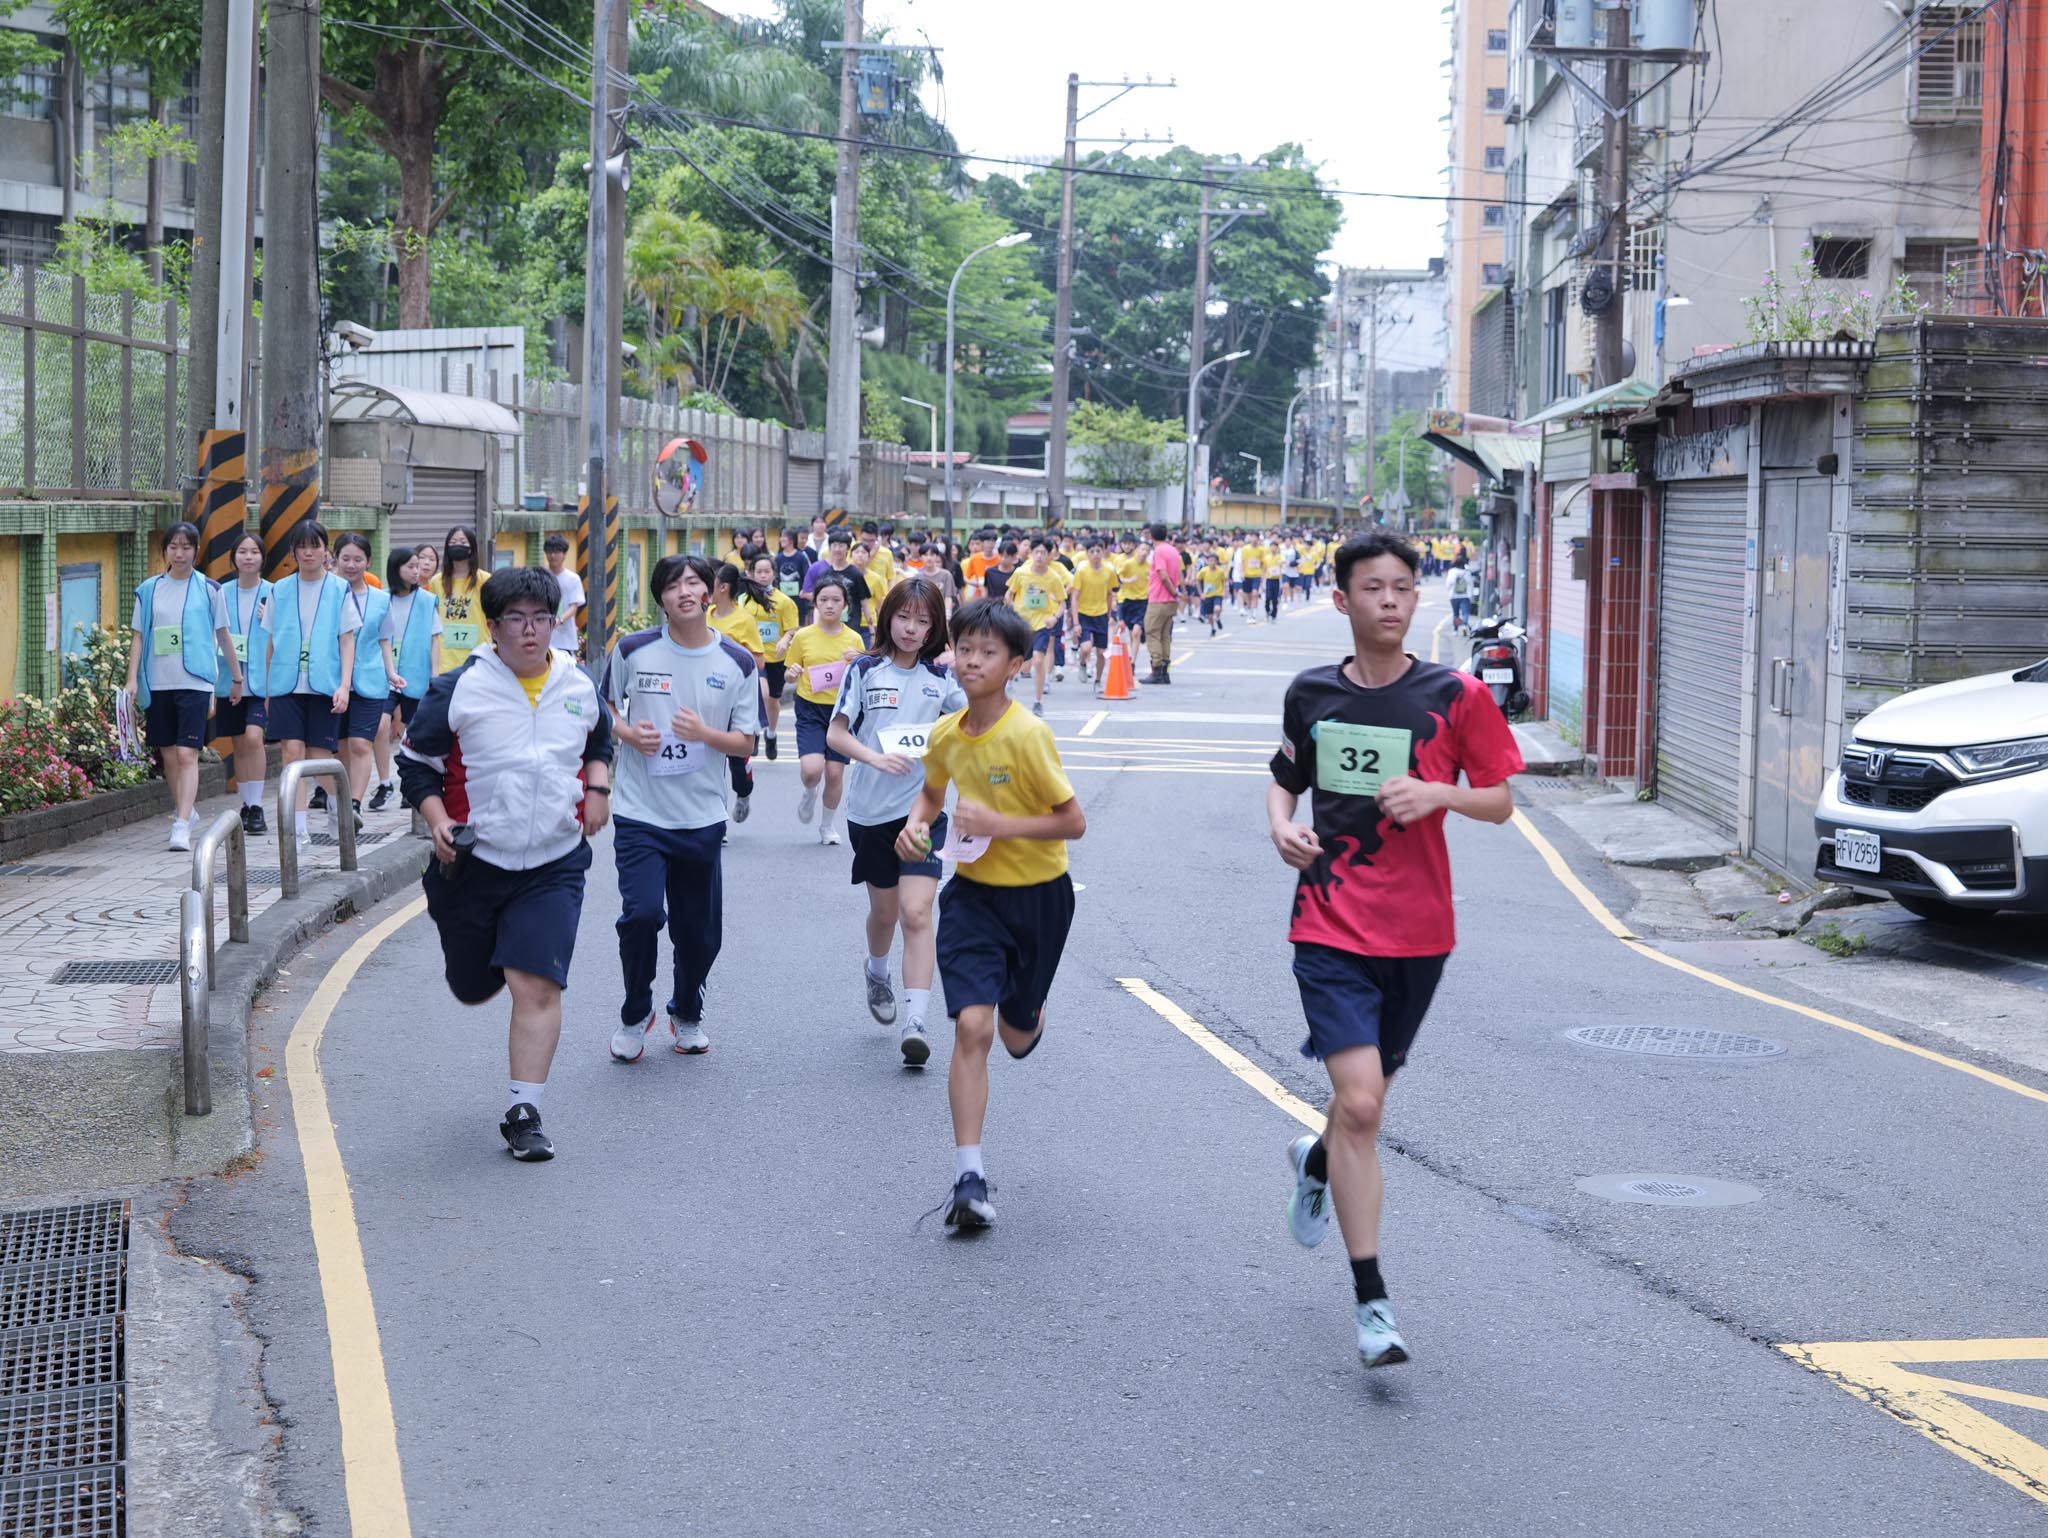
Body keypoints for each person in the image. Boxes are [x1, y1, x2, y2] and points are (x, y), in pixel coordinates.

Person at [1266, 529, 1523, 1368]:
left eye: (1403, 588)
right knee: (1367, 1106)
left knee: (1356, 1111)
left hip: (1419, 934)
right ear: (1342, 600)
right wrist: (1281, 828)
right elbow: (1285, 773)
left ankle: (1317, 1156)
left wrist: (1438, 792)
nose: (1389, 600)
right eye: (1372, 587)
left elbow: (1498, 801)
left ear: (1418, 599)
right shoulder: (1310, 693)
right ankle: (1372, 1301)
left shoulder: (1455, 696)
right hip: (1329, 922)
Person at [400, 566, 613, 1162]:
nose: (529, 631)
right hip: (475, 860)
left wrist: (598, 787)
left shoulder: (577, 682)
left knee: (537, 984)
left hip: (555, 858)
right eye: (515, 620)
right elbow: (417, 766)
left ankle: (525, 1111)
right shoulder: (457, 689)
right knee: (472, 987)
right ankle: (485, 957)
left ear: (555, 622)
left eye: (541, 619)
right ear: (492, 628)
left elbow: (598, 740)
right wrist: (438, 822)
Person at [896, 598, 1085, 1229]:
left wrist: (1000, 823)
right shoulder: (949, 735)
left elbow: (1072, 821)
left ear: (1015, 665)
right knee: (972, 1028)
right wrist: (916, 828)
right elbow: (929, 793)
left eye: (988, 653)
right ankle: (968, 1178)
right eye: (965, 649)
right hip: (974, 896)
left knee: (1015, 1034)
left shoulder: (1029, 735)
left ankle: (1026, 1005)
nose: (972, 661)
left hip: (1040, 898)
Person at [602, 555, 759, 1061]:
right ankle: (635, 1012)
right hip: (640, 811)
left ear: (711, 592)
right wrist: (627, 732)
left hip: (701, 815)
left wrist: (703, 735)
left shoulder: (737, 662)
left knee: (699, 934)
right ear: (661, 598)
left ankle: (687, 1009)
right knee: (642, 914)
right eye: (673, 586)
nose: (684, 592)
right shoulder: (633, 650)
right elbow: (605, 707)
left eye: (694, 583)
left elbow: (744, 742)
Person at [827, 578, 966, 1066]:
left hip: (923, 813)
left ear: (935, 628)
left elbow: (977, 723)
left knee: (917, 913)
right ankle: (877, 970)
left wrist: (967, 666)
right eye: (904, 618)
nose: (912, 629)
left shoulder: (942, 679)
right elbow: (838, 733)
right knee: (885, 914)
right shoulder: (865, 669)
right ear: (888, 618)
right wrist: (873, 757)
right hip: (870, 813)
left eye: (924, 621)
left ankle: (916, 1020)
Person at [125, 521, 243, 850]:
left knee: (187, 752)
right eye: (173, 547)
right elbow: (139, 636)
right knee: (169, 755)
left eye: (186, 547)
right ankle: (184, 810)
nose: (179, 553)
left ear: (196, 551)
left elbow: (223, 635)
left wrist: (236, 677)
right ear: (165, 550)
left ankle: (181, 824)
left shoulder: (209, 589)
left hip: (195, 681)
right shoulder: (149, 590)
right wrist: (132, 678)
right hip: (158, 682)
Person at [259, 520, 360, 846]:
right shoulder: (279, 589)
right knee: (291, 754)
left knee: (319, 757)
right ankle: (298, 831)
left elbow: (347, 640)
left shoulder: (339, 589)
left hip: (324, 682)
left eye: (314, 546)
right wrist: (267, 689)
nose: (308, 552)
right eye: (301, 546)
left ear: (325, 550)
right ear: (293, 551)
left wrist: (344, 685)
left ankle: (336, 805)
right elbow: (271, 641)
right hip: (286, 682)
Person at [776, 575, 866, 845]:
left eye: (836, 600)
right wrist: (791, 674)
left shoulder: (854, 639)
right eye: (823, 599)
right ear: (814, 603)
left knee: (835, 772)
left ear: (845, 605)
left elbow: (863, 679)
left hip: (841, 711)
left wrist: (860, 660)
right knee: (812, 771)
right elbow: (789, 676)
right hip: (810, 708)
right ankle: (809, 792)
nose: (829, 605)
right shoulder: (803, 637)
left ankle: (827, 827)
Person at [333, 533, 399, 824]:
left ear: (368, 562)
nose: (351, 565)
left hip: (371, 682)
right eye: (345, 558)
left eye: (358, 559)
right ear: (335, 560)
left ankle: (354, 806)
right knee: (339, 748)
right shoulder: (328, 595)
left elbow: (384, 639)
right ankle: (341, 800)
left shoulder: (382, 599)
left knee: (361, 744)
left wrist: (391, 672)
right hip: (333, 682)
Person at [214, 531, 274, 835]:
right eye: (242, 552)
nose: (248, 557)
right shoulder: (222, 592)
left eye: (254, 552)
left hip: (261, 682)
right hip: (230, 680)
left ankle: (258, 805)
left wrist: (271, 620)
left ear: (263, 557)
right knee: (238, 742)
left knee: (254, 738)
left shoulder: (275, 593)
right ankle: (247, 804)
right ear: (234, 557)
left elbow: (286, 635)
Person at [379, 546, 442, 807]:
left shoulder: (427, 601)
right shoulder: (382, 599)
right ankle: (384, 783)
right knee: (380, 726)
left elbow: (435, 638)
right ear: (396, 569)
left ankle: (410, 784)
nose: (417, 571)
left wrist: (435, 675)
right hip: (385, 676)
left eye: (418, 566)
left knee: (412, 733)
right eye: (410, 566)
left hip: (416, 676)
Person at [1006, 536, 1071, 717]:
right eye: (1037, 552)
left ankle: (1038, 701)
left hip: (1043, 623)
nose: (1040, 556)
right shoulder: (1021, 573)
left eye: (1044, 552)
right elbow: (1008, 595)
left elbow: (1062, 603)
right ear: (1031, 553)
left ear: (1050, 555)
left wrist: (1055, 617)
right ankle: (1009, 681)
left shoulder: (1054, 578)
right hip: (1022, 623)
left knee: (1038, 660)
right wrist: (1011, 613)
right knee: (1016, 658)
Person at [745, 548, 800, 759]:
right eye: (758, 572)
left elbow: (791, 628)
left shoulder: (784, 602)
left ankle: (771, 733)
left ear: (773, 574)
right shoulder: (744, 601)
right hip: (753, 658)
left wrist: (785, 640)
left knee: (773, 700)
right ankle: (756, 730)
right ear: (751, 574)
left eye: (766, 571)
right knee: (762, 693)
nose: (762, 575)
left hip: (776, 658)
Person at [430, 526, 486, 670]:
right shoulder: (436, 582)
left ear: (472, 547)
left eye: (462, 541)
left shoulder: (485, 580)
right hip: (445, 661)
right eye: (453, 542)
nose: (457, 545)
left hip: (478, 658)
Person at [1141, 522, 1183, 686]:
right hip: (1171, 601)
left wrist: (1172, 591)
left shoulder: (1159, 551)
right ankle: (1165, 670)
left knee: (1152, 631)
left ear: (1151, 536)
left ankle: (1156, 668)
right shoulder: (1173, 550)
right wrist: (1175, 593)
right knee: (1165, 635)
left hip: (1159, 598)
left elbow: (1163, 575)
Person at [1070, 539, 1115, 689]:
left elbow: (1110, 594)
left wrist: (1109, 614)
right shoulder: (1082, 571)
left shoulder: (1109, 571)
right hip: (1084, 614)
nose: (1095, 554)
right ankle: (1082, 663)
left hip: (1101, 614)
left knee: (1101, 651)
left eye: (1098, 551)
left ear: (1103, 552)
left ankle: (1098, 680)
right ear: (1087, 554)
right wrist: (1076, 622)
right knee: (1086, 648)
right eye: (1092, 551)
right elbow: (1075, 596)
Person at [544, 534, 586, 655]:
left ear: (564, 554)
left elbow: (574, 606)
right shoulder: (542, 576)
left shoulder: (573, 579)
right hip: (545, 638)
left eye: (556, 552)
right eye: (549, 552)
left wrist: (559, 620)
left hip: (565, 640)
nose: (552, 556)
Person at [1198, 548, 1228, 635]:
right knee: (1209, 616)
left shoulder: (1220, 571)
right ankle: (1213, 628)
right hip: (1207, 595)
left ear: (1217, 562)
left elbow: (1224, 581)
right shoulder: (1204, 571)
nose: (1212, 563)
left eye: (1214, 561)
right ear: (1207, 562)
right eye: (1210, 561)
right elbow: (1198, 580)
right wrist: (1201, 593)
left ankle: (1218, 618)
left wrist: (1224, 591)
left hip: (1217, 593)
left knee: (1217, 608)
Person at [1447, 556, 1475, 635]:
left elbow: (1448, 583)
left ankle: (1455, 630)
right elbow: (1470, 584)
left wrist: (1450, 591)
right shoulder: (1467, 572)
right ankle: (1464, 626)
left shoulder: (1452, 571)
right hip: (1465, 596)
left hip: (1454, 596)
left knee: (1456, 613)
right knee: (1465, 613)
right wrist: (1471, 596)